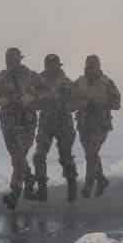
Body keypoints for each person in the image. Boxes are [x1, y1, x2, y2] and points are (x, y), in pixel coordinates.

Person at [0, 47, 43, 209]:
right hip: (8, 123)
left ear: (20, 59)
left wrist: (32, 97)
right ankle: (29, 179)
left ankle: (14, 193)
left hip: (27, 122)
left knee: (18, 156)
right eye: (9, 59)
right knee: (17, 156)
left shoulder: (31, 76)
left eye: (14, 59)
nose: (11, 62)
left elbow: (46, 91)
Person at [70, 54, 121, 198]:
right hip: (83, 124)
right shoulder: (79, 82)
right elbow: (70, 102)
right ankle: (102, 180)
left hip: (100, 124)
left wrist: (100, 103)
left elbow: (117, 103)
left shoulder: (107, 83)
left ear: (98, 66)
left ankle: (88, 185)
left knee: (91, 153)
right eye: (89, 65)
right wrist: (80, 104)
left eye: (93, 65)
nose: (90, 68)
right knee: (91, 154)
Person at [31, 53, 79, 202]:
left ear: (58, 65)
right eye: (49, 64)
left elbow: (76, 101)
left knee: (66, 157)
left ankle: (72, 191)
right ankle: (42, 192)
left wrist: (66, 105)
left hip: (64, 123)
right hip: (46, 123)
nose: (51, 67)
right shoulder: (38, 81)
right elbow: (31, 100)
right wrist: (39, 101)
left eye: (54, 64)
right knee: (39, 156)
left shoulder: (66, 82)